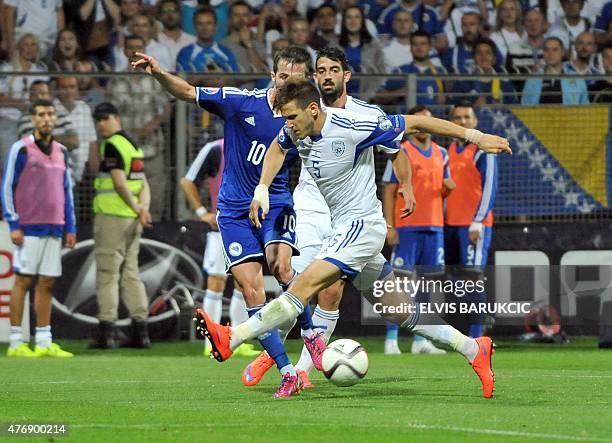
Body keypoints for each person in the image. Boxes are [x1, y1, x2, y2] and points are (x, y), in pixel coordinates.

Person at [197, 79, 510, 399]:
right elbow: (277, 148)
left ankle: (232, 337)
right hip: (342, 230)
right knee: (404, 312)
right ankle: (474, 349)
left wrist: (477, 136)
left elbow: (416, 122)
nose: (287, 124)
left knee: (303, 286)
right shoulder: (296, 129)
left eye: (291, 117)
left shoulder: (355, 124)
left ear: (313, 109)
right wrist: (262, 189)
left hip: (363, 228)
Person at [132, 46, 316, 399]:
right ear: (273, 75)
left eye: (294, 80)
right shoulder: (240, 101)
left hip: (276, 202)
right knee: (251, 289)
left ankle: (311, 336)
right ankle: (287, 370)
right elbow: (187, 92)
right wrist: (157, 72)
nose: (285, 86)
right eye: (281, 77)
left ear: (304, 81)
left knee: (282, 269)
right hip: (234, 211)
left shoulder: (309, 116)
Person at [1, 98, 76, 358]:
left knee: (46, 283)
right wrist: (13, 222)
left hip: (55, 228)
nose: (46, 118)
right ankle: (15, 342)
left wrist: (71, 226)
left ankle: (44, 341)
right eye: (41, 114)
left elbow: (67, 192)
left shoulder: (62, 151)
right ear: (33, 119)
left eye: (50, 114)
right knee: (22, 280)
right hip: (29, 227)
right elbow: (7, 186)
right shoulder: (20, 149)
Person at [382, 105, 453, 355]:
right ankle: (391, 338)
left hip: (434, 226)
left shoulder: (442, 154)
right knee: (399, 284)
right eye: (420, 122)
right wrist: (390, 225)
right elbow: (389, 189)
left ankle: (421, 339)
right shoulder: (401, 151)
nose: (424, 127)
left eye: (428, 122)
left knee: (428, 284)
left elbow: (442, 188)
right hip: (407, 226)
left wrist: (448, 188)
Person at [180, 138, 259, 358]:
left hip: (250, 226)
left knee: (244, 284)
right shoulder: (216, 148)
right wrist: (201, 213)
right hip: (221, 226)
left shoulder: (257, 143)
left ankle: (237, 338)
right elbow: (187, 181)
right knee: (216, 282)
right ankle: (211, 342)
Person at [89, 102, 152, 350]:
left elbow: (118, 183)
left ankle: (106, 332)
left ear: (116, 117)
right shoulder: (131, 144)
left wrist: (137, 208)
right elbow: (143, 182)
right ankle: (141, 331)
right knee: (130, 274)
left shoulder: (112, 145)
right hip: (132, 219)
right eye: (97, 119)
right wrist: (142, 208)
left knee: (107, 274)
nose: (100, 123)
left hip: (112, 218)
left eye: (105, 118)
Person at [444, 102, 496, 339]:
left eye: (467, 117)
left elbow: (490, 187)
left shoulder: (482, 150)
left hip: (474, 225)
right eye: (457, 118)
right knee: (452, 278)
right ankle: (472, 325)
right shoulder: (448, 150)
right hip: (450, 224)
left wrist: (478, 220)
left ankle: (477, 335)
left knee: (473, 277)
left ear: (475, 122)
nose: (462, 122)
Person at [109, 34, 171, 222]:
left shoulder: (155, 79)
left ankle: (155, 238)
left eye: (139, 47)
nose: (135, 51)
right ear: (125, 51)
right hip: (127, 152)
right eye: (131, 47)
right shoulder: (116, 82)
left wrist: (152, 125)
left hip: (152, 148)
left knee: (157, 199)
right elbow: (112, 115)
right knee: (129, 198)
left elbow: (167, 110)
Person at [521, 37, 589, 105]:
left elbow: (585, 109)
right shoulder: (532, 80)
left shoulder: (577, 79)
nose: (550, 54)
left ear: (562, 53)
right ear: (543, 53)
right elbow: (524, 107)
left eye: (555, 50)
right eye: (546, 50)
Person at [175, 7, 238, 73]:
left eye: (208, 23)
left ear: (215, 26)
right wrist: (204, 78)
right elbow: (180, 79)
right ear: (195, 27)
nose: (204, 28)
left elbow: (235, 79)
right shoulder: (185, 53)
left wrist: (222, 78)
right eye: (200, 23)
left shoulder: (226, 52)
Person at [156, 0, 196, 71]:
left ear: (180, 13)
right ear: (159, 16)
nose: (170, 15)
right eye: (165, 11)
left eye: (174, 10)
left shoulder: (193, 41)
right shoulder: (155, 40)